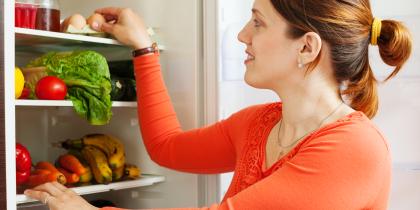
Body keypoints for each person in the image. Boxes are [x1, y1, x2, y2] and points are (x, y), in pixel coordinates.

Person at [24, 0, 412, 209]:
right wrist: (144, 48)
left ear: (306, 47)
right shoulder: (258, 124)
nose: (243, 35)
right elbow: (166, 146)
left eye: (257, 22)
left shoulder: (352, 149)